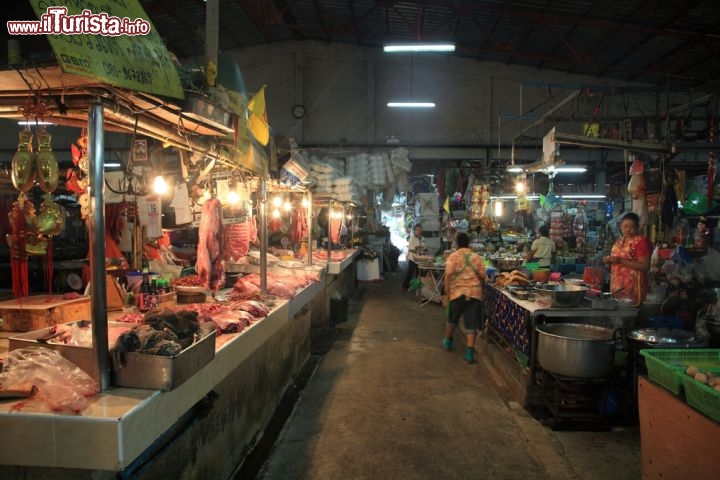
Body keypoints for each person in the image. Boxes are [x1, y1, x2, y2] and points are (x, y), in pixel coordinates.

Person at [443, 232, 487, 363]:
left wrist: (447, 290)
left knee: (452, 319)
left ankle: (448, 341)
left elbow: (448, 275)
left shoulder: (453, 257)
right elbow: (484, 276)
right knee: (471, 324)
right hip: (474, 294)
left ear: (456, 243)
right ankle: (469, 354)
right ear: (469, 243)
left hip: (457, 292)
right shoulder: (476, 257)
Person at [602, 212, 652, 305]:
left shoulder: (642, 242)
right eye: (625, 226)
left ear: (637, 227)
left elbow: (645, 266)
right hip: (617, 286)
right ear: (620, 227)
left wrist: (620, 261)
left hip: (633, 286)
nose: (628, 230)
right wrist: (607, 261)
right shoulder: (618, 242)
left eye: (632, 227)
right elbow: (612, 265)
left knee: (631, 313)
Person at [402, 224, 424, 291]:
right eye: (417, 230)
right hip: (412, 257)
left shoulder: (422, 238)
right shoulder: (412, 238)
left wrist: (424, 248)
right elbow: (410, 247)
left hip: (419, 257)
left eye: (420, 230)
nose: (419, 231)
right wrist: (415, 247)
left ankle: (417, 287)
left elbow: (424, 246)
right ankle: (405, 286)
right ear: (414, 231)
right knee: (410, 272)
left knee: (419, 273)